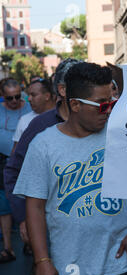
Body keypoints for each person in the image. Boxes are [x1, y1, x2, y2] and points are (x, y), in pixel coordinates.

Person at [13, 62, 127, 275]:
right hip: (71, 270)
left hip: (121, 265)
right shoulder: (43, 145)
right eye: (102, 105)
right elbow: (35, 207)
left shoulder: (125, 134)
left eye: (112, 102)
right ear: (75, 104)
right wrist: (42, 261)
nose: (109, 110)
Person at [4, 59, 81, 261]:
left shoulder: (104, 120)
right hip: (56, 233)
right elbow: (14, 170)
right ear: (63, 90)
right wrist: (24, 218)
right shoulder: (40, 126)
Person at [0, 78, 31, 263]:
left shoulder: (29, 110)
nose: (13, 101)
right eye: (9, 98)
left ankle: (30, 240)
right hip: (3, 161)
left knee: (28, 200)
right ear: (2, 97)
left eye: (17, 97)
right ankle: (8, 247)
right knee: (3, 203)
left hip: (27, 160)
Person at [12, 79, 55, 154]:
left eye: (33, 95)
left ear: (47, 96)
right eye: (29, 95)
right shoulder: (24, 120)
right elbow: (15, 152)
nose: (29, 99)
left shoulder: (62, 117)